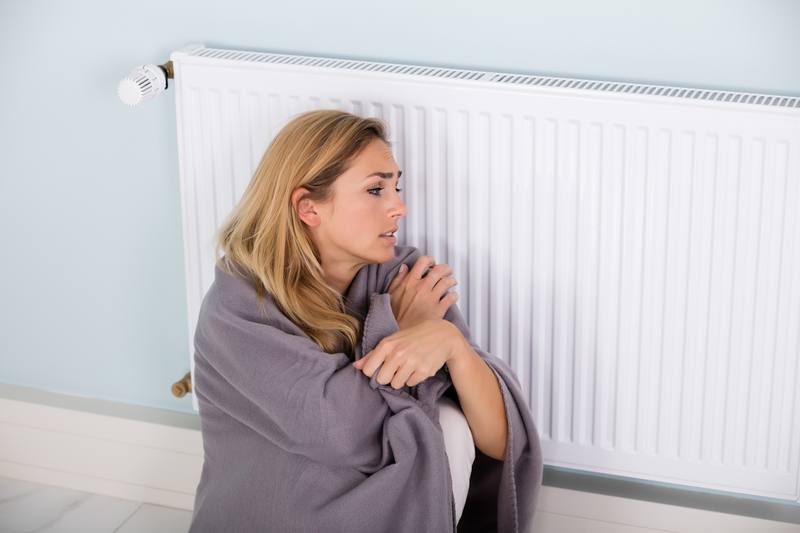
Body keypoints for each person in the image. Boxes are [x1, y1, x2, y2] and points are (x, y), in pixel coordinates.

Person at [189, 109, 542, 532]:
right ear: (308, 208)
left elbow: (501, 443)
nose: (399, 207)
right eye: (376, 189)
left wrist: (453, 345)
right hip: (273, 512)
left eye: (396, 187)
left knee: (449, 419)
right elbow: (345, 433)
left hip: (370, 499)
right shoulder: (240, 306)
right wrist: (397, 329)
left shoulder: (405, 278)